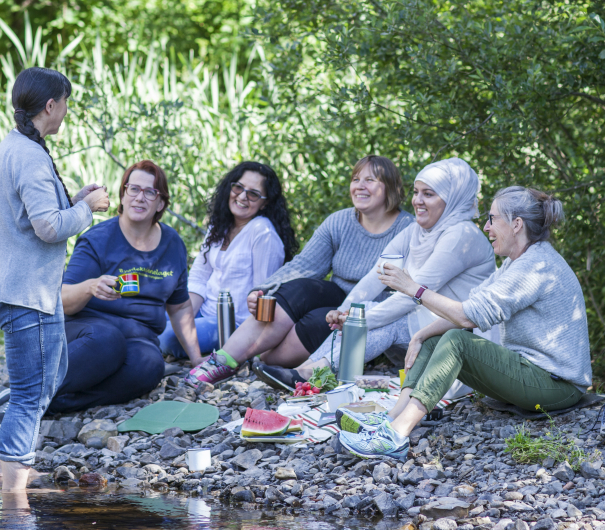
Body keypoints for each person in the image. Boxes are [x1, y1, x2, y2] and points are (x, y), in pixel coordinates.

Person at [337, 186, 592, 460]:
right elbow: (470, 305)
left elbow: (467, 318)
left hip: (557, 386)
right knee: (437, 339)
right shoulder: (516, 263)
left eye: (493, 219)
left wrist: (414, 289)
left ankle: (397, 435)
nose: (486, 226)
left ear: (516, 224)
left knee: (458, 341)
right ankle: (391, 418)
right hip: (531, 375)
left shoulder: (535, 266)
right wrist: (421, 335)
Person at [253, 158, 497, 391]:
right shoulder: (417, 232)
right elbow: (375, 276)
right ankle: (307, 370)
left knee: (386, 318)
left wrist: (359, 320)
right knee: (364, 309)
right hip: (426, 327)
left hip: (462, 336)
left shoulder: (462, 235)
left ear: (452, 200)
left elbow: (412, 295)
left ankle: (312, 373)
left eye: (429, 194)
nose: (417, 201)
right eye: (416, 192)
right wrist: (346, 312)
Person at [0, 67, 110, 492]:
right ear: (50, 105)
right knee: (32, 391)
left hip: (24, 286)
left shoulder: (15, 145)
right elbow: (48, 228)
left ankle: (10, 462)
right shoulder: (31, 155)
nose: (67, 111)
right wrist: (88, 210)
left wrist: (73, 200)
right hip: (24, 292)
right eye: (65, 103)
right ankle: (14, 480)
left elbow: (35, 214)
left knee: (54, 372)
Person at [186, 155, 414, 386]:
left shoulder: (408, 229)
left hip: (371, 313)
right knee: (299, 288)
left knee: (315, 322)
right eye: (356, 179)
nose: (360, 186)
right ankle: (221, 361)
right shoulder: (339, 221)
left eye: (370, 180)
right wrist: (262, 289)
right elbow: (304, 265)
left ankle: (266, 361)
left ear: (391, 188)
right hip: (338, 297)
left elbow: (410, 291)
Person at [47, 160, 201, 413]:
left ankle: (59, 403)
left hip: (139, 341)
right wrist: (90, 287)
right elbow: (61, 299)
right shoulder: (98, 239)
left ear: (160, 203)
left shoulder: (173, 244)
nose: (140, 198)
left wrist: (196, 359)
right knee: (108, 340)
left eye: (150, 192)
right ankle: (28, 393)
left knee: (151, 365)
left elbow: (180, 306)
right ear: (123, 194)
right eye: (134, 189)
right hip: (88, 333)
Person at [157, 162, 298, 359]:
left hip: (233, 325)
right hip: (203, 311)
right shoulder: (220, 225)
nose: (242, 197)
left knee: (168, 337)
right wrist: (185, 316)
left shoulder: (263, 232)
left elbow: (263, 295)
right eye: (238, 187)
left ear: (265, 203)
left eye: (253, 194)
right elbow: (199, 277)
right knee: (150, 315)